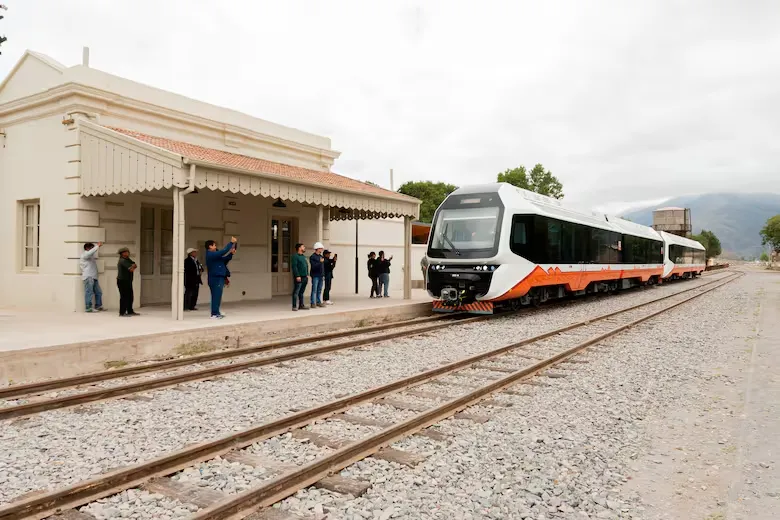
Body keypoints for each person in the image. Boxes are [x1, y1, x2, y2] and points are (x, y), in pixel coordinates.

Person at [205, 236, 237, 319]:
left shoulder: (215, 256)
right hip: (215, 278)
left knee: (217, 296)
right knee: (216, 296)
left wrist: (231, 254)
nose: (215, 247)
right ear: (210, 246)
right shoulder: (210, 254)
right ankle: (214, 314)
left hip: (219, 277)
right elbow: (223, 252)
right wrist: (231, 243)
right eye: (214, 245)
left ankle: (216, 312)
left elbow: (224, 260)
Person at [80, 242, 104, 313]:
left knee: (98, 292)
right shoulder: (85, 255)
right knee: (89, 292)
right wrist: (97, 246)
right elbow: (90, 252)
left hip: (93, 277)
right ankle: (88, 308)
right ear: (87, 248)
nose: (93, 249)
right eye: (91, 248)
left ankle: (98, 306)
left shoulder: (90, 256)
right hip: (88, 276)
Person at [116, 247, 138, 317]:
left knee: (130, 296)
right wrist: (133, 266)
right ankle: (122, 312)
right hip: (122, 281)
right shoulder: (122, 261)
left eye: (128, 252)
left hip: (128, 280)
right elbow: (131, 269)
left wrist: (133, 266)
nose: (128, 253)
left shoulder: (127, 259)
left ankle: (130, 311)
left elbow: (135, 265)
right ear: (122, 253)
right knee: (124, 297)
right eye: (126, 252)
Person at [291, 243, 309, 311]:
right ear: (299, 248)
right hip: (299, 277)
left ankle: (301, 305)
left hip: (305, 277)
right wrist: (297, 275)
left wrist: (307, 274)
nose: (304, 248)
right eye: (303, 247)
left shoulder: (303, 256)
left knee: (301, 292)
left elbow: (306, 265)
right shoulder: (295, 256)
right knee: (296, 291)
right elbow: (294, 267)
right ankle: (294, 306)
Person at [309, 242, 326, 308]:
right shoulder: (312, 257)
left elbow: (322, 267)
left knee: (319, 289)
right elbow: (313, 266)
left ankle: (318, 302)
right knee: (314, 290)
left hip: (321, 275)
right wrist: (320, 262)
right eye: (320, 248)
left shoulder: (321, 256)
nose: (322, 249)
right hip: (315, 275)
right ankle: (313, 302)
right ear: (317, 249)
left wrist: (323, 274)